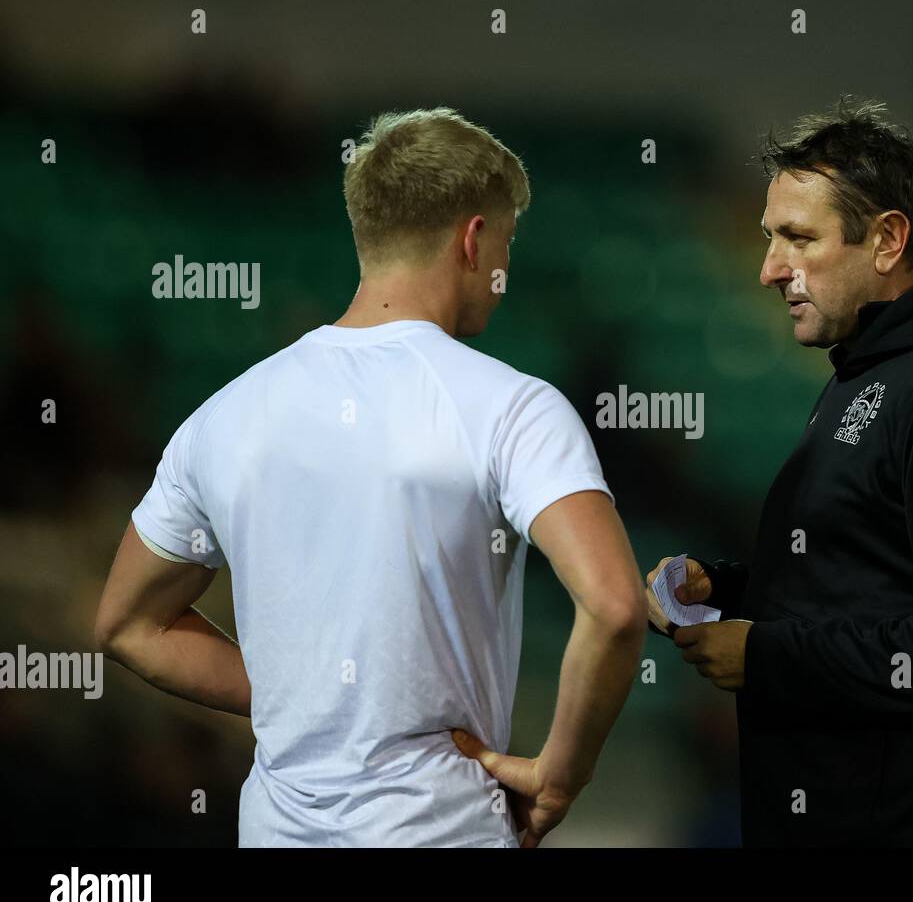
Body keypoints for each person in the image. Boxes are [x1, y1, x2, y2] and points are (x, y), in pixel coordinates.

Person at [95, 108, 646, 847]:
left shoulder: (223, 416)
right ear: (474, 239)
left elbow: (130, 625)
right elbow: (613, 605)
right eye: (507, 243)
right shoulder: (512, 407)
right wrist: (559, 777)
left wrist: (310, 698)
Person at [647, 97, 913, 846]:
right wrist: (731, 585)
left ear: (887, 240)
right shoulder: (876, 373)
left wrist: (768, 657)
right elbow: (871, 574)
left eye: (798, 239)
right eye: (769, 238)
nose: (770, 269)